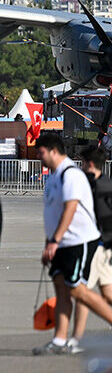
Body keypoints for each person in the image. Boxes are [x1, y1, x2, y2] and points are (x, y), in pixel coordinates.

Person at [35, 133, 112, 355]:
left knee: (78, 290)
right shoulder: (54, 177)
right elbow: (53, 212)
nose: (39, 158)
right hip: (61, 243)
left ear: (53, 151)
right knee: (61, 288)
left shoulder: (71, 175)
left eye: (41, 153)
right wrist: (49, 243)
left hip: (78, 241)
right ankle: (59, 340)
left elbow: (70, 208)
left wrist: (55, 240)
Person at [73, 145, 112, 347]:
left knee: (82, 293)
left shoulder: (98, 188)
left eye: (81, 164)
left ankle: (77, 339)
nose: (80, 167)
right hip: (105, 247)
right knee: (107, 293)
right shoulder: (105, 184)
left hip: (97, 246)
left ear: (89, 164)